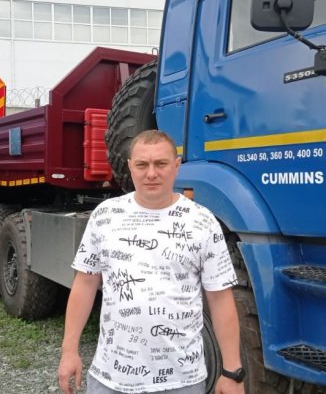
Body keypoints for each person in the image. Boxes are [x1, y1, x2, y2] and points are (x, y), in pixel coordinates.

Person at [58, 130, 244, 394]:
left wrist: (232, 372)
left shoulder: (202, 222)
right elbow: (85, 284)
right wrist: (69, 352)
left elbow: (220, 298)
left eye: (161, 163)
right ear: (130, 166)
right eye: (142, 164)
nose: (151, 173)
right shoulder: (105, 217)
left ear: (176, 166)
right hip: (111, 379)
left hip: (181, 382)